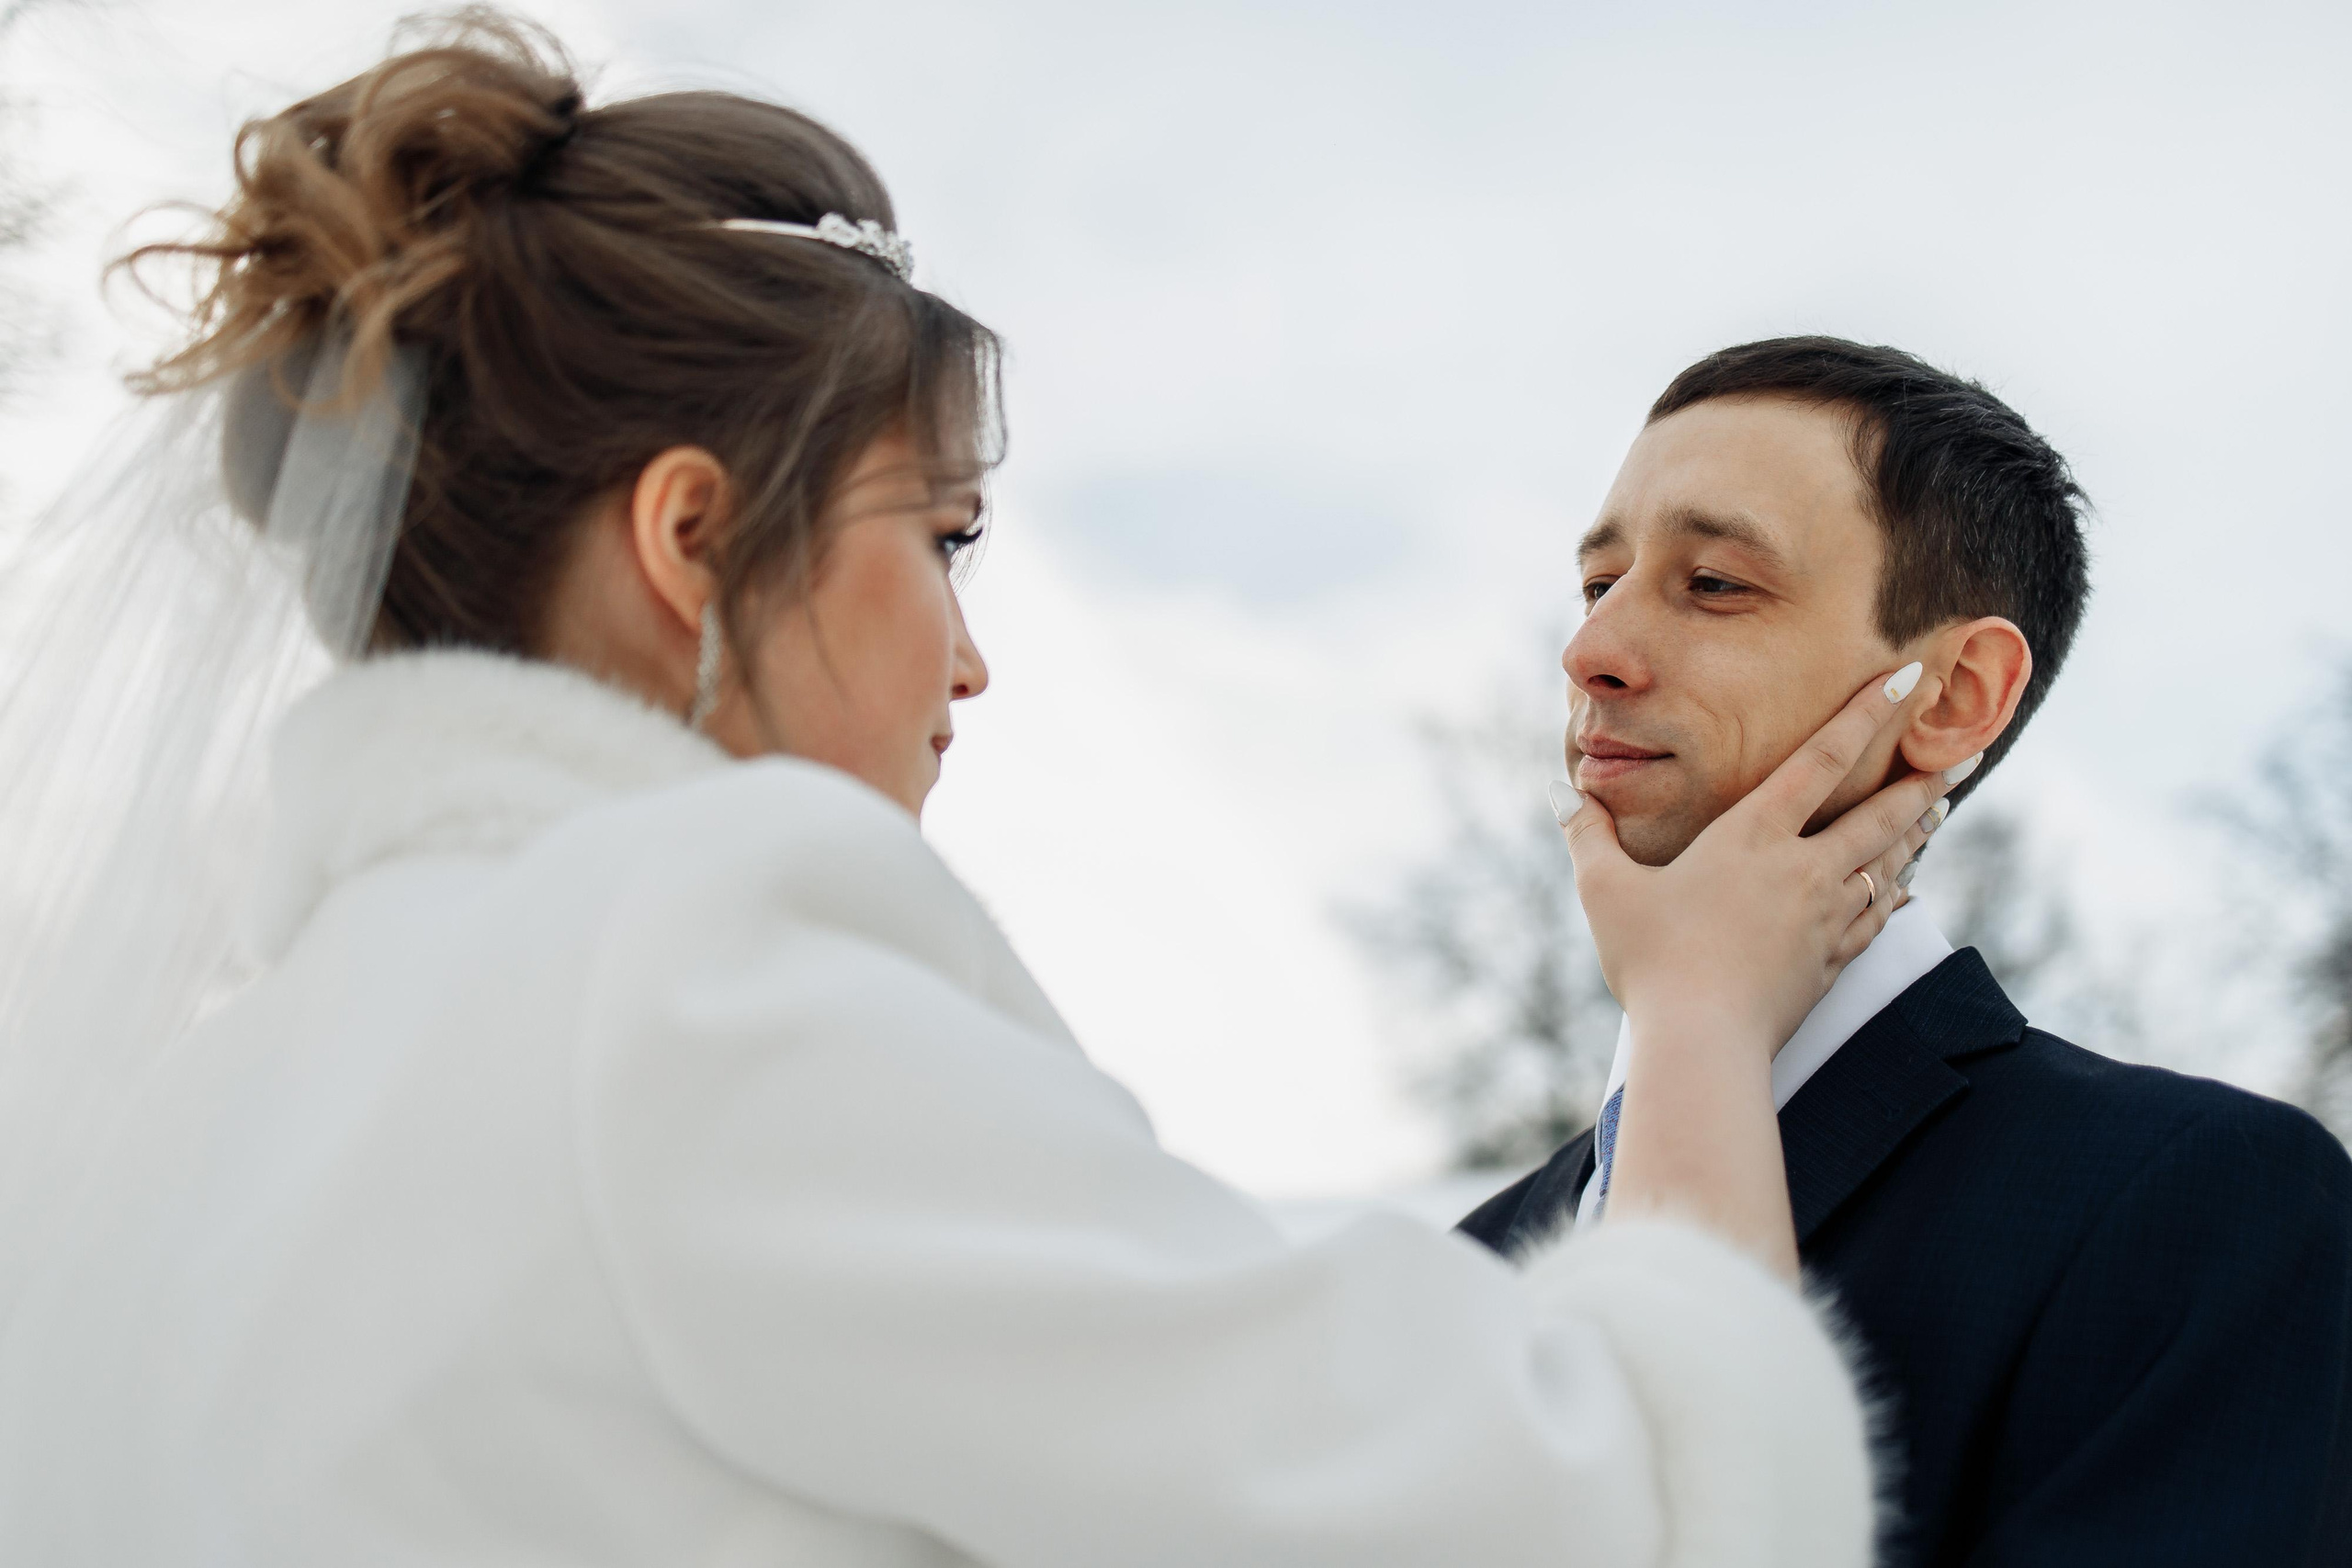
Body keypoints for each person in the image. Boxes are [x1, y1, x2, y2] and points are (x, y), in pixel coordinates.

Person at [0, 17, 1960, 1566]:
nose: (966, 652)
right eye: (940, 529)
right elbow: (1616, 1515)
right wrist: (1697, 1015)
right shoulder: (688, 971)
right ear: (693, 536)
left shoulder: (190, 1119)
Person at [1461, 336, 2352, 1566]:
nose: (1591, 651)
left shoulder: (2209, 1205)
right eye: (1597, 582)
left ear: (1953, 696)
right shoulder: (1463, 1270)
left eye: (1713, 582)